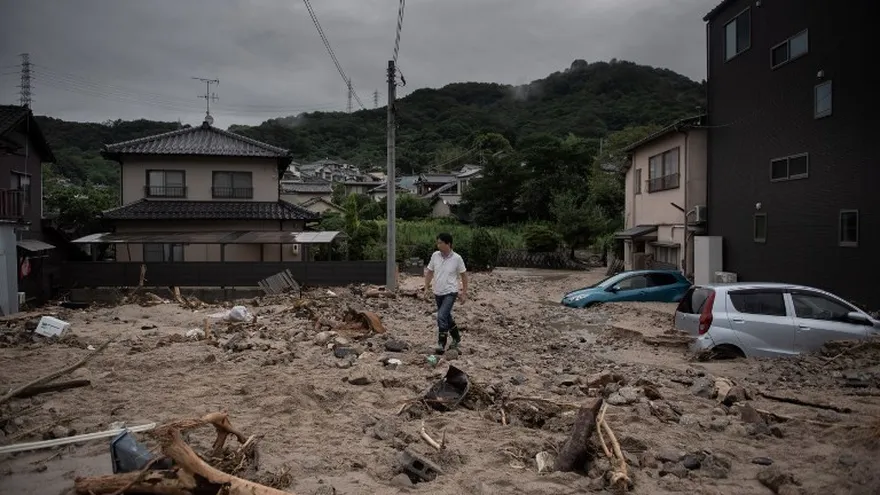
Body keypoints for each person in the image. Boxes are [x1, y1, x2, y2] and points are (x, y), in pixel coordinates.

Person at [424, 232, 468, 355]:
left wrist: (464, 293)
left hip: (451, 291)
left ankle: (441, 343)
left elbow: (464, 276)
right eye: (437, 243)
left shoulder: (457, 258)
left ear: (448, 244)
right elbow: (429, 272)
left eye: (440, 243)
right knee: (447, 317)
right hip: (438, 291)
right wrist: (426, 288)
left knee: (441, 316)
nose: (438, 245)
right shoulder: (435, 256)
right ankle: (456, 337)